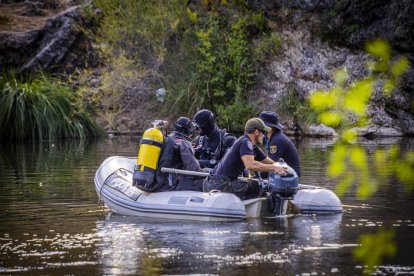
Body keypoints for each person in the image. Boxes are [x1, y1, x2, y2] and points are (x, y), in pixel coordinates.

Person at [203, 118, 288, 200]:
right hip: (220, 185)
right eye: (263, 132)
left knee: (254, 183)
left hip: (212, 182)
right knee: (257, 185)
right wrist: (274, 168)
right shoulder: (245, 142)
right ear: (257, 132)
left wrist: (280, 166)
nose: (264, 136)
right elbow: (250, 165)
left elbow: (270, 162)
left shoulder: (251, 146)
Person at [155, 117, 204, 191]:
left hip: (159, 180)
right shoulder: (184, 143)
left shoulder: (166, 138)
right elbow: (194, 170)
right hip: (170, 184)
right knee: (205, 181)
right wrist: (207, 174)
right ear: (187, 130)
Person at [259, 111, 301, 177]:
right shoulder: (276, 137)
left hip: (289, 178)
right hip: (288, 175)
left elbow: (271, 165)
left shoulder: (276, 141)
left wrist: (257, 177)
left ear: (269, 127)